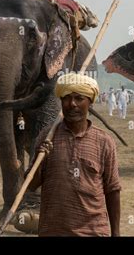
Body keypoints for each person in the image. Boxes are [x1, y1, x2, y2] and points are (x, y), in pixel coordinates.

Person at [29, 73, 121, 237]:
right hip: (52, 230)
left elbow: (113, 190)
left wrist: (116, 233)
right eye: (66, 98)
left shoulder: (104, 142)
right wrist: (39, 158)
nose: (72, 104)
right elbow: (31, 185)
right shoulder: (46, 137)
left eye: (79, 98)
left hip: (94, 231)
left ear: (90, 102)